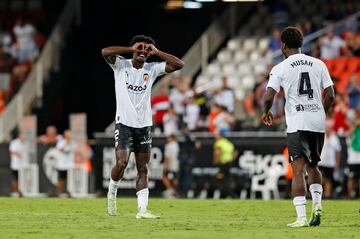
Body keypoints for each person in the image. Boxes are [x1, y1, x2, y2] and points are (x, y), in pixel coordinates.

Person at [102, 35, 183, 218]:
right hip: (123, 123)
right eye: (140, 48)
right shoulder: (120, 65)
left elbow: (179, 65)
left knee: (143, 168)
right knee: (121, 163)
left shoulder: (152, 69)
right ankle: (111, 193)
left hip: (144, 125)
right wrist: (131, 49)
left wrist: (157, 52)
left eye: (147, 50)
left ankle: (142, 210)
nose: (143, 52)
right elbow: (105, 52)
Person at [262, 27, 335, 227]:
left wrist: (266, 111)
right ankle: (317, 205)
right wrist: (322, 112)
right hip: (317, 121)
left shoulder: (281, 67)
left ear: (283, 46)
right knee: (314, 166)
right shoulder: (318, 63)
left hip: (297, 122)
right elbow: (330, 94)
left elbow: (269, 96)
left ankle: (302, 217)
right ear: (301, 44)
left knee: (297, 170)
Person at [318, 120, 341, 198]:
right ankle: (318, 194)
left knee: (329, 180)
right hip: (321, 162)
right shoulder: (321, 137)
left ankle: (327, 195)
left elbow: (338, 152)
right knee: (320, 179)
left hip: (330, 163)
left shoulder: (335, 138)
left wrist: (337, 163)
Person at [213, 128, 236, 198]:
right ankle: (229, 193)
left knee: (220, 178)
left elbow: (217, 153)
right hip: (229, 163)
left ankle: (223, 194)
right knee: (228, 179)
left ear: (220, 135)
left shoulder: (219, 143)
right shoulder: (229, 143)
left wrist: (215, 161)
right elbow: (234, 153)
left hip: (222, 163)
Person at [9, 128, 30, 197]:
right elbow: (12, 151)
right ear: (19, 136)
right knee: (15, 178)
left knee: (24, 178)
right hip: (16, 164)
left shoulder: (26, 143)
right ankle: (15, 192)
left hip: (24, 164)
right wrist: (18, 154)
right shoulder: (14, 142)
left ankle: (24, 191)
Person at [55, 130, 75, 197]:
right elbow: (60, 149)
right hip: (62, 164)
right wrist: (66, 142)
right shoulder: (62, 142)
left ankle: (69, 192)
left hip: (70, 165)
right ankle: (58, 192)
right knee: (61, 179)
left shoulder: (73, 142)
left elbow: (76, 149)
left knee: (69, 179)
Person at [347, 107, 360, 198]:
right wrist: (354, 126)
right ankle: (351, 194)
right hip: (353, 159)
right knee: (351, 178)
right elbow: (349, 135)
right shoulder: (352, 130)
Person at [162, 134, 180, 198]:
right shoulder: (176, 145)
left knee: (164, 177)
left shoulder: (168, 146)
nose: (167, 139)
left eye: (168, 137)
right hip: (176, 164)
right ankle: (174, 191)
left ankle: (171, 191)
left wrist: (165, 166)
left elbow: (167, 157)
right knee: (174, 179)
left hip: (171, 164)